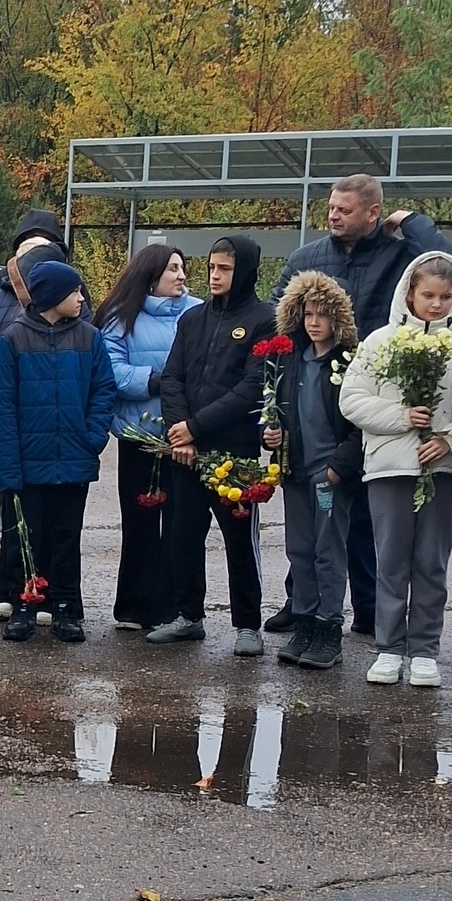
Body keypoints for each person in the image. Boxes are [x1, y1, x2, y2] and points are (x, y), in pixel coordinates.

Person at [273, 177, 435, 634]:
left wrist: (411, 222)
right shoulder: (307, 258)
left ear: (373, 212)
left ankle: (366, 607)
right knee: (314, 526)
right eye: (331, 207)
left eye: (346, 209)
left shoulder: (400, 256)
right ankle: (302, 604)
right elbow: (280, 320)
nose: (334, 215)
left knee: (363, 517)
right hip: (317, 392)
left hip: (379, 397)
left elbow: (443, 262)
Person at [339, 253, 452, 686]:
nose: (436, 305)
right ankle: (388, 647)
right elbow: (352, 399)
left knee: (432, 561)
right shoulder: (381, 340)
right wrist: (402, 416)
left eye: (445, 297)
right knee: (391, 560)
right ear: (409, 293)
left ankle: (425, 650)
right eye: (428, 295)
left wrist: (449, 439)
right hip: (389, 467)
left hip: (445, 467)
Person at [149, 236, 275, 653]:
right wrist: (178, 429)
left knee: (240, 542)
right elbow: (172, 378)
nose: (215, 275)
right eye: (212, 267)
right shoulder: (193, 318)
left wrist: (196, 427)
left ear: (245, 272)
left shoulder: (263, 320)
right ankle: (188, 616)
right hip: (185, 450)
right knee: (182, 536)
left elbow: (251, 388)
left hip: (233, 453)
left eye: (225, 269)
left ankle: (247, 625)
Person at [0, 259, 116, 644]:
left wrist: (92, 437)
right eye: (74, 291)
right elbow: (4, 407)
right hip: (28, 462)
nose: (81, 298)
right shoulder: (12, 339)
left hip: (73, 459)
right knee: (28, 536)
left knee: (66, 535)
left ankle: (65, 607)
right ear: (52, 296)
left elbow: (103, 390)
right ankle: (24, 605)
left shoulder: (89, 338)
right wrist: (8, 467)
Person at [0, 210, 68, 612]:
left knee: (33, 504)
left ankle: (31, 583)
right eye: (26, 246)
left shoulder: (70, 297)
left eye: (42, 247)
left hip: (43, 418)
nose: (30, 256)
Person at [97, 245, 201, 631]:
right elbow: (113, 373)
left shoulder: (198, 311)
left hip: (185, 435)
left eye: (182, 267)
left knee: (181, 523)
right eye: (173, 268)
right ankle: (134, 604)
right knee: (139, 523)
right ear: (151, 275)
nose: (181, 275)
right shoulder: (119, 317)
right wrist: (162, 381)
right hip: (139, 435)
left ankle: (173, 607)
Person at [263, 272, 362, 672]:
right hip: (296, 473)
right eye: (307, 314)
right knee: (299, 550)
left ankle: (328, 628)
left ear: (337, 317)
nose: (314, 322)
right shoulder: (289, 360)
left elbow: (359, 424)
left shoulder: (349, 361)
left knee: (328, 551)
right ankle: (304, 622)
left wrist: (339, 466)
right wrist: (271, 434)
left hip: (330, 475)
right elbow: (277, 410)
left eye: (322, 314)